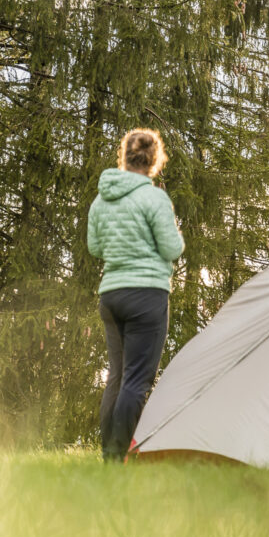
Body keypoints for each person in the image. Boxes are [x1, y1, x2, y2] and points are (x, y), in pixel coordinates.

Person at [86, 128, 184, 462]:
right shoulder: (154, 198)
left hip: (111, 294)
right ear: (155, 160)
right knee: (137, 381)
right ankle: (118, 456)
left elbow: (95, 247)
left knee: (117, 375)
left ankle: (107, 455)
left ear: (124, 157)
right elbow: (172, 248)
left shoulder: (102, 198)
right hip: (147, 295)